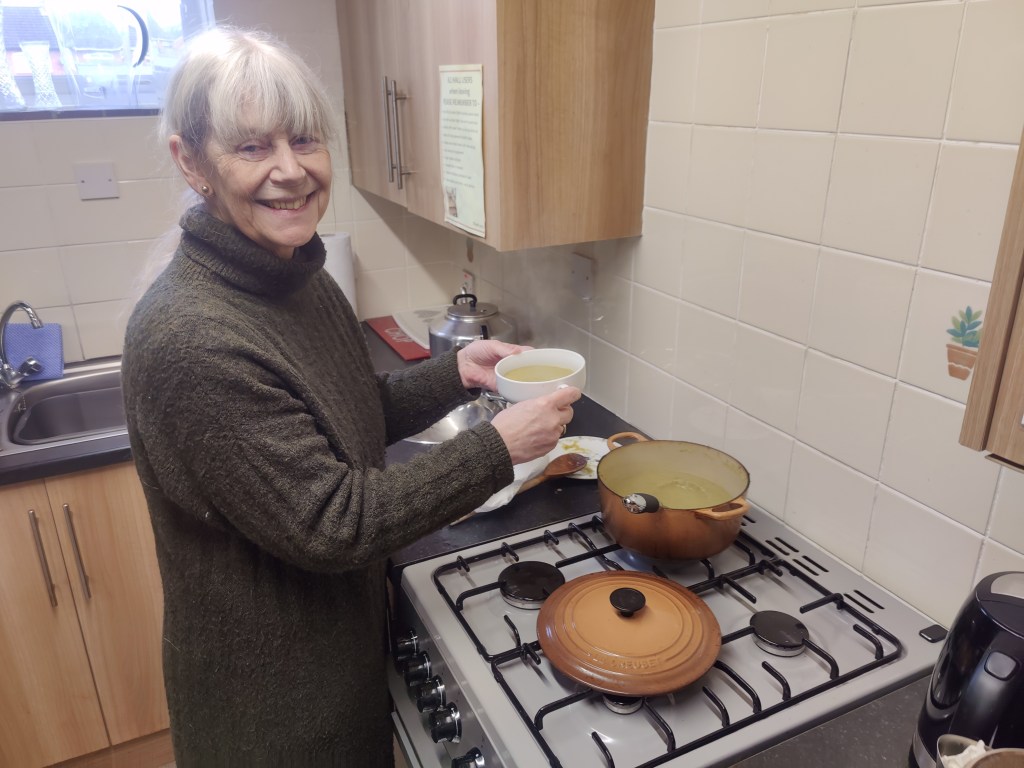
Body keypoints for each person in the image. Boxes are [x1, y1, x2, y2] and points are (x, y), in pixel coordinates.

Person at [121, 27, 580, 767]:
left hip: (338, 665)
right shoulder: (191, 339)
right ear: (191, 161)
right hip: (273, 715)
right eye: (251, 148)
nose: (290, 171)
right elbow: (332, 521)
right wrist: (498, 447)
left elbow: (346, 409)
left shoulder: (298, 275)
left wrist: (460, 372)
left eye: (305, 140)